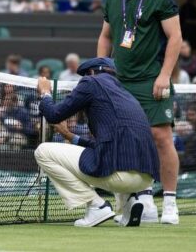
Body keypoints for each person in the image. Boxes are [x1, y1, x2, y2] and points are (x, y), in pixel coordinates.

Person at [97, 0, 182, 225]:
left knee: (161, 138)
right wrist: (101, 69)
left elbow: (175, 37)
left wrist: (164, 75)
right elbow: (106, 36)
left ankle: (169, 202)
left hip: (151, 79)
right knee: (129, 142)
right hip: (120, 82)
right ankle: (142, 199)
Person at [35, 57, 160, 227]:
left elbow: (54, 115)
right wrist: (71, 136)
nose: (82, 82)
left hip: (119, 177)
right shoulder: (126, 94)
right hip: (146, 180)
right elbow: (110, 145)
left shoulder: (91, 82)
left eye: (83, 77)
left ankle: (96, 205)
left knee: (42, 151)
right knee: (114, 154)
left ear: (92, 73)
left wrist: (45, 93)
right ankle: (129, 204)